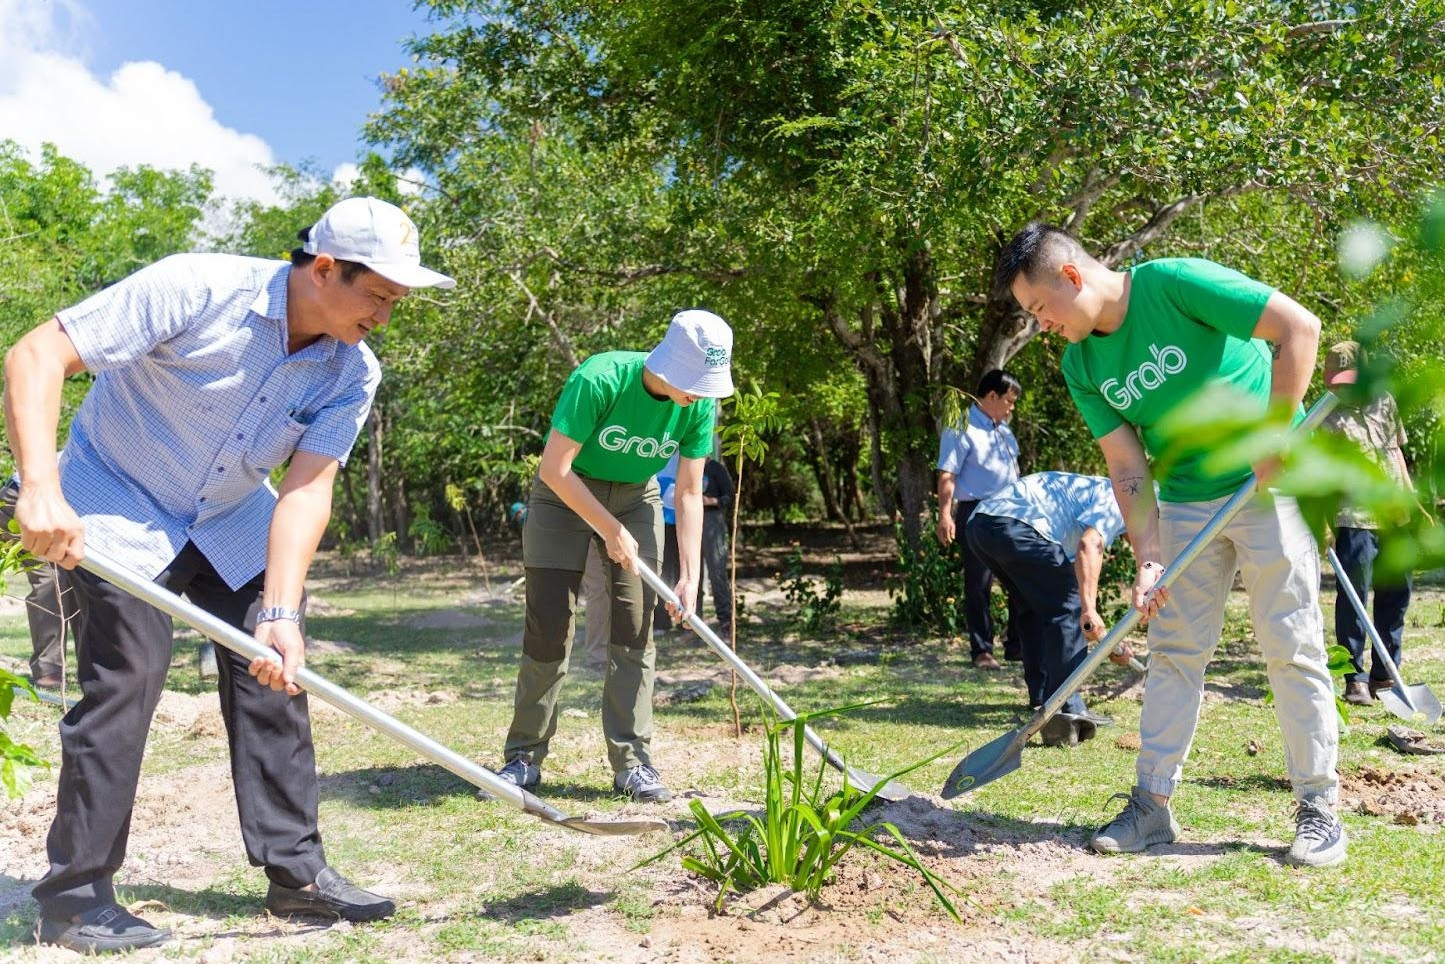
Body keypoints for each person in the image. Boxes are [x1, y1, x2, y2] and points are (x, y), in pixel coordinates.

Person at [4, 195, 455, 952]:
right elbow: (35, 353)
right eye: (377, 294)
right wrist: (41, 486)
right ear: (322, 269)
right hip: (116, 498)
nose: (385, 314)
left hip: (231, 514)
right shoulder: (195, 287)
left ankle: (296, 876)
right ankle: (75, 900)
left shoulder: (352, 370)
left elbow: (309, 487)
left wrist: (279, 612)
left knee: (276, 675)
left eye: (396, 300)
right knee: (126, 682)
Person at [996, 223, 1345, 869]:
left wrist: (1275, 434)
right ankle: (1151, 808)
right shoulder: (1081, 365)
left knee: (1289, 644)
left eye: (1040, 309)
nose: (1040, 325)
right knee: (1174, 654)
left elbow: (1298, 327)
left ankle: (1318, 809)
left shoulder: (1174, 282)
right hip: (1185, 501)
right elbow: (1127, 467)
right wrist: (1149, 555)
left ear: (1071, 276)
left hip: (1266, 487)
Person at [498, 309, 733, 804]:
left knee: (634, 628)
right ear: (669, 366)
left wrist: (689, 575)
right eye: (696, 381)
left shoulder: (697, 406)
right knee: (549, 624)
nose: (702, 392)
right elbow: (555, 469)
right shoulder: (600, 378)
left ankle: (633, 764)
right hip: (563, 496)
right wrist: (609, 530)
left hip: (636, 497)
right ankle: (523, 756)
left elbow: (689, 492)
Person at [966, 472, 1133, 743]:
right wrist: (1087, 609)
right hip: (1014, 525)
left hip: (982, 525)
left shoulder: (1097, 495)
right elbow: (1089, 545)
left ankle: (1043, 697)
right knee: (1070, 608)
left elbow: (1069, 576)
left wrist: (1108, 641)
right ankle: (1065, 709)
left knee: (1034, 608)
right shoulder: (1125, 497)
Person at [1320, 341, 1415, 706]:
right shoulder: (1323, 417)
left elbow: (1397, 455)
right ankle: (1354, 677)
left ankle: (1385, 674)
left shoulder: (1385, 402)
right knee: (1353, 598)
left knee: (1397, 593)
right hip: (1352, 517)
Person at [935, 369, 1024, 670]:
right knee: (979, 583)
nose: (1012, 408)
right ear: (991, 396)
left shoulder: (1005, 431)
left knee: (1019, 581)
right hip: (977, 512)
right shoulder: (962, 427)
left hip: (1010, 511)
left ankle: (1017, 645)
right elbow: (947, 473)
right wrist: (945, 515)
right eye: (1009, 401)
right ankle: (982, 650)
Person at [699, 456, 735, 634]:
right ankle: (692, 623)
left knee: (717, 572)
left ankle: (726, 622)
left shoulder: (716, 468)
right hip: (689, 521)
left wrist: (711, 501)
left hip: (712, 521)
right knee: (693, 574)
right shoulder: (686, 465)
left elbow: (729, 496)